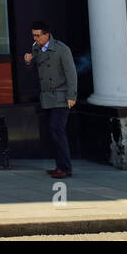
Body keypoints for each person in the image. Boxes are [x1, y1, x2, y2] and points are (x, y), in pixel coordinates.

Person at [23, 20, 77, 179]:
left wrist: (72, 96)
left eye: (38, 35)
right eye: (33, 35)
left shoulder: (61, 49)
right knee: (53, 132)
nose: (35, 38)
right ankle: (60, 166)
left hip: (61, 96)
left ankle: (65, 168)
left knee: (57, 130)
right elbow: (32, 67)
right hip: (46, 97)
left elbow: (71, 73)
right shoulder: (36, 47)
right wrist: (27, 61)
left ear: (47, 35)